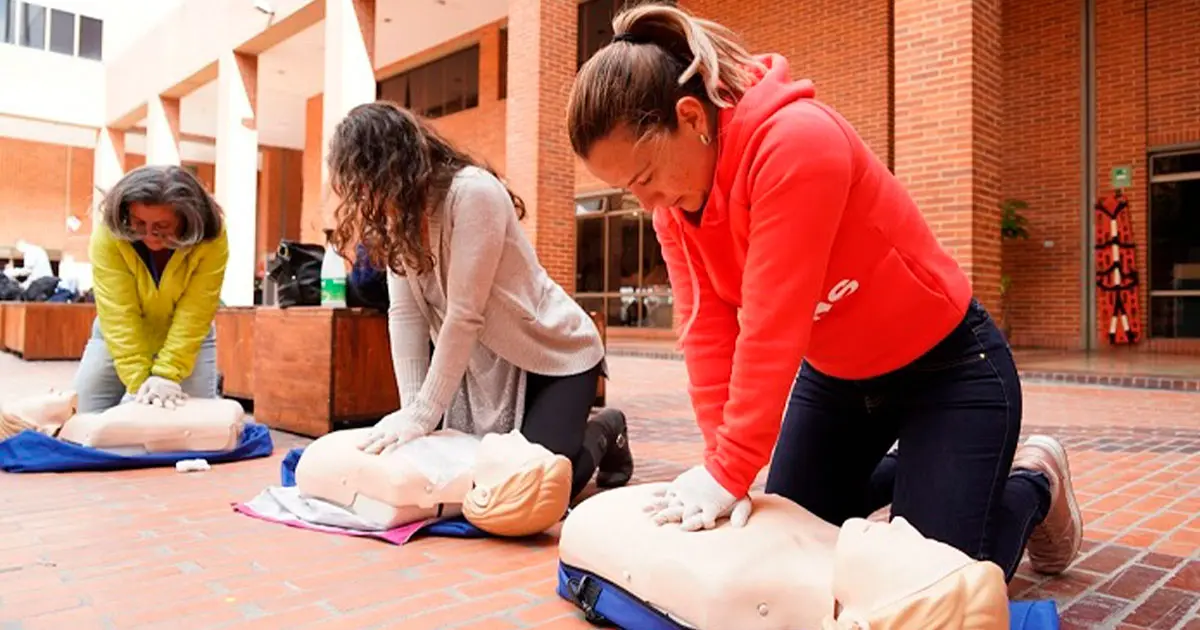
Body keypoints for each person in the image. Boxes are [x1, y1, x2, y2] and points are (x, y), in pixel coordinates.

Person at [566, 2, 1083, 580]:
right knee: (784, 542)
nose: (645, 202)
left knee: (928, 584)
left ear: (691, 117)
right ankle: (936, 468)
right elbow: (708, 333)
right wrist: (721, 467)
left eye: (643, 177)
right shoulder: (675, 206)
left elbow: (769, 327)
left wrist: (731, 468)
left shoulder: (795, 144)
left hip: (950, 370)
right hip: (838, 383)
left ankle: (1032, 480)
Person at [325, 101, 634, 499]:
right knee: (481, 484)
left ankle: (607, 429)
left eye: (366, 179)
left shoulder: (473, 193)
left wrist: (423, 415)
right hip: (483, 365)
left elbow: (463, 315)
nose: (363, 194)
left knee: (534, 490)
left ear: (392, 165)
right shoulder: (396, 218)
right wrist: (413, 418)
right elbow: (405, 317)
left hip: (553, 355)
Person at [75, 165, 228, 413]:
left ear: (187, 217)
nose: (150, 235)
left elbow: (196, 310)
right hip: (118, 336)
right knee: (82, 415)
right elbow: (118, 313)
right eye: (139, 223)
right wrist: (139, 385)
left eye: (162, 225)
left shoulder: (212, 237)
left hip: (187, 339)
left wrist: (167, 374)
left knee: (195, 427)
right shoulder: (108, 236)